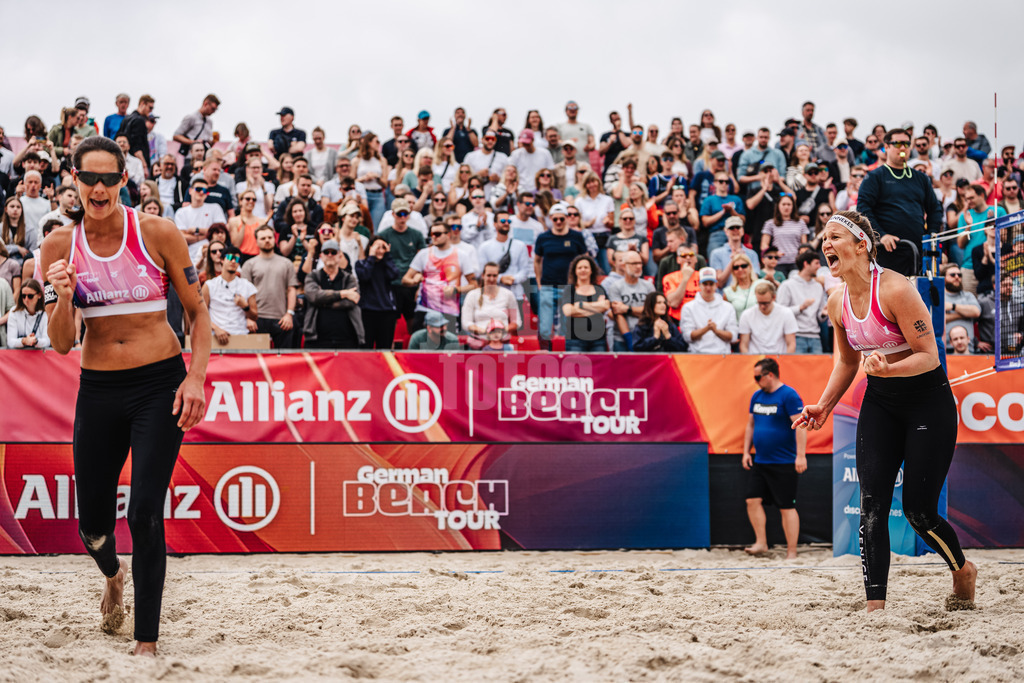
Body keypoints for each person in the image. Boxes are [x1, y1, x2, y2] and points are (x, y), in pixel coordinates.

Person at [41, 136, 210, 656]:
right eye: (88, 178)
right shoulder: (56, 248)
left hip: (159, 384)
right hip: (99, 389)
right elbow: (64, 342)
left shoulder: (156, 232)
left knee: (143, 514)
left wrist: (196, 378)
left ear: (122, 181)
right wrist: (63, 299)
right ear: (72, 179)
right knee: (91, 524)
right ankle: (112, 575)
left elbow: (199, 313)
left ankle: (147, 642)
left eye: (108, 179)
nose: (98, 188)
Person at [795, 209, 976, 612]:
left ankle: (962, 570)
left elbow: (930, 356)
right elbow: (845, 363)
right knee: (872, 504)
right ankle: (875, 608)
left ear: (862, 245)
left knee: (918, 510)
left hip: (927, 402)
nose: (826, 244)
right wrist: (823, 406)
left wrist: (889, 366)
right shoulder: (836, 301)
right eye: (823, 238)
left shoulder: (895, 289)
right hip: (880, 401)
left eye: (835, 236)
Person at [742, 358, 806, 560]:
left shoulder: (789, 395)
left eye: (757, 377)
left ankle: (792, 552)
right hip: (761, 461)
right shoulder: (757, 396)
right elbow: (751, 425)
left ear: (770, 375)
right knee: (752, 500)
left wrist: (801, 455)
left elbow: (801, 426)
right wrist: (746, 451)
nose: (755, 381)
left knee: (787, 507)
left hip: (784, 462)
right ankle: (761, 543)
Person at [857, 129, 944, 275]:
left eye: (906, 144)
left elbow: (935, 209)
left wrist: (932, 236)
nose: (903, 148)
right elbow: (863, 209)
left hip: (916, 251)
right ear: (887, 146)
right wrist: (881, 235)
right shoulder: (875, 177)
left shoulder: (921, 178)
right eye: (897, 144)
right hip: (887, 251)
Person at [402, 219, 476, 332]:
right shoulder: (423, 254)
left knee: (449, 346)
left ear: (448, 235)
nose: (434, 237)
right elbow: (405, 279)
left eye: (437, 234)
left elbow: (474, 284)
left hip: (449, 310)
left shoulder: (461, 255)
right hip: (425, 308)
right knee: (421, 345)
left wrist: (456, 289)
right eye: (431, 234)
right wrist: (414, 281)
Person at [533, 203, 588, 346]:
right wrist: (539, 282)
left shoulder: (576, 236)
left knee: (566, 326)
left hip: (569, 286)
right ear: (551, 219)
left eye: (561, 219)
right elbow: (537, 260)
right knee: (545, 326)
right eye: (555, 219)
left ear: (567, 218)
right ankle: (546, 355)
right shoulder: (543, 237)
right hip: (547, 285)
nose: (558, 222)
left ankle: (565, 355)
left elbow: (585, 259)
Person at [239, 225, 300, 349]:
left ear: (274, 239)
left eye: (269, 237)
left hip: (282, 319)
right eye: (263, 238)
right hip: (257, 319)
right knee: (256, 362)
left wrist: (289, 313)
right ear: (256, 241)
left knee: (283, 360)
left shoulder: (286, 263)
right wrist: (248, 318)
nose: (267, 240)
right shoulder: (249, 264)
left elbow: (291, 289)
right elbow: (243, 293)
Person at [303, 239, 363, 349]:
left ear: (340, 255)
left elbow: (352, 301)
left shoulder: (349, 278)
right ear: (321, 256)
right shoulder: (313, 276)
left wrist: (323, 302)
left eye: (333, 252)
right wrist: (342, 293)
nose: (330, 255)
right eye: (326, 252)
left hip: (347, 338)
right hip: (317, 339)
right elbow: (314, 296)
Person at [378, 198, 427, 329]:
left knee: (413, 320)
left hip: (411, 282)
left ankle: (413, 347)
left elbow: (424, 258)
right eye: (400, 214)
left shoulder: (416, 234)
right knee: (390, 320)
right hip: (392, 283)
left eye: (406, 214)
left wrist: (419, 282)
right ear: (393, 214)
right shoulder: (384, 235)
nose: (403, 217)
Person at [202, 247, 258, 345]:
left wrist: (245, 307)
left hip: (240, 336)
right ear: (222, 260)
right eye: (230, 257)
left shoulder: (247, 286)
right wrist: (216, 329)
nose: (233, 261)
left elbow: (254, 316)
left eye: (237, 259)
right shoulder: (209, 285)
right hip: (215, 337)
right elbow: (201, 314)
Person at [777, 251, 827, 353]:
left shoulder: (818, 287)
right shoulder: (787, 285)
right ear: (806, 264)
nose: (819, 266)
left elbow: (819, 316)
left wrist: (823, 314)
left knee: (818, 369)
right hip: (795, 336)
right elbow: (780, 312)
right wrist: (801, 307)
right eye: (816, 263)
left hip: (815, 337)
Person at [461, 262, 520, 347]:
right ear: (483, 275)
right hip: (478, 343)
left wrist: (500, 329)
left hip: (502, 343)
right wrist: (485, 330)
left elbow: (516, 322)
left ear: (498, 276)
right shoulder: (472, 295)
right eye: (489, 275)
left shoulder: (508, 294)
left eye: (494, 276)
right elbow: (466, 323)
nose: (491, 279)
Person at [355, 237, 400, 350]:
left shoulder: (387, 265)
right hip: (367, 311)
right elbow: (365, 276)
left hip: (387, 312)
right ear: (370, 248)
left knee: (385, 348)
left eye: (383, 247)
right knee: (366, 347)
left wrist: (388, 256)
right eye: (377, 247)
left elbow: (394, 275)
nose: (380, 250)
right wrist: (371, 257)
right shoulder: (361, 263)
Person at [680, 267, 738, 354]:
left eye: (711, 284)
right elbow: (687, 336)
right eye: (705, 284)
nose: (708, 287)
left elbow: (733, 336)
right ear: (699, 285)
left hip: (722, 355)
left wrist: (716, 331)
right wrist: (707, 329)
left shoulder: (728, 307)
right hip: (697, 355)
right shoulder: (688, 307)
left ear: (716, 285)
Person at [604, 251, 654, 351]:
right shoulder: (616, 286)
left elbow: (652, 311)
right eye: (634, 263)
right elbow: (618, 314)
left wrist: (628, 309)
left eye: (640, 263)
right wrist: (629, 338)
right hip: (621, 338)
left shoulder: (648, 286)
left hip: (645, 336)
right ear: (624, 265)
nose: (638, 266)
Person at [560, 254, 609, 353]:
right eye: (579, 267)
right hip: (575, 340)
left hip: (598, 340)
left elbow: (606, 306)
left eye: (586, 267)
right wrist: (596, 309)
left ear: (591, 270)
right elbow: (568, 311)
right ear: (575, 271)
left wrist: (581, 305)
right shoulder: (570, 290)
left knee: (599, 368)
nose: (583, 270)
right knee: (576, 368)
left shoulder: (599, 289)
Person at [739, 281, 797, 353]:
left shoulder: (786, 313)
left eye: (765, 303)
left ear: (773, 297)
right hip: (755, 358)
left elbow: (791, 343)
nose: (762, 306)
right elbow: (744, 344)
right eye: (759, 303)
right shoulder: (747, 314)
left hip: (779, 357)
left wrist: (785, 361)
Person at [942, 264, 981, 346]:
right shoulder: (941, 297)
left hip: (968, 349)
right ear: (944, 278)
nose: (957, 277)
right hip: (946, 349)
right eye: (952, 275)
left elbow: (976, 312)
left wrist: (953, 307)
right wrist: (965, 314)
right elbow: (939, 319)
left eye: (959, 275)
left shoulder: (968, 295)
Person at [662, 243, 700, 324]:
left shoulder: (702, 276)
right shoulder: (669, 278)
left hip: (700, 320)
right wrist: (685, 279)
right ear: (678, 260)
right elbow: (674, 303)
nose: (688, 258)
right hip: (678, 321)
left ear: (696, 259)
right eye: (683, 255)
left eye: (691, 254)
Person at [8, 278, 50, 349]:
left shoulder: (46, 313)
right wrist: (24, 341)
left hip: (40, 356)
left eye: (30, 296)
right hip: (19, 357)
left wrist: (35, 341)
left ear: (39, 295)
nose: (26, 300)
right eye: (23, 296)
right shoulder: (14, 312)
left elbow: (47, 341)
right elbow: (10, 342)